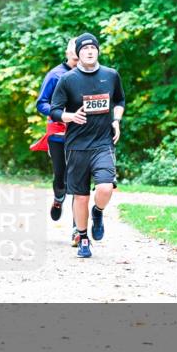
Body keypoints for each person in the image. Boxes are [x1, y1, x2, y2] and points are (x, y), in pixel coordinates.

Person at [49, 32, 124, 259]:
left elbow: (119, 100)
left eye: (93, 48)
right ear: (78, 53)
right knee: (80, 196)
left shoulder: (111, 75)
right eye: (85, 49)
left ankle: (98, 212)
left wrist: (116, 120)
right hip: (76, 145)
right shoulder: (68, 80)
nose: (90, 51)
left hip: (103, 142)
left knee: (105, 187)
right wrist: (70, 116)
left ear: (98, 51)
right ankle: (82, 237)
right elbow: (54, 110)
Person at [34, 38, 79, 243]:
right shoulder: (55, 75)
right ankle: (58, 196)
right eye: (75, 52)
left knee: (78, 180)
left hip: (82, 134)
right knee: (61, 176)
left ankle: (78, 229)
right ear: (68, 53)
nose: (78, 57)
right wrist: (60, 114)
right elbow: (41, 103)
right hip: (58, 132)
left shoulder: (92, 75)